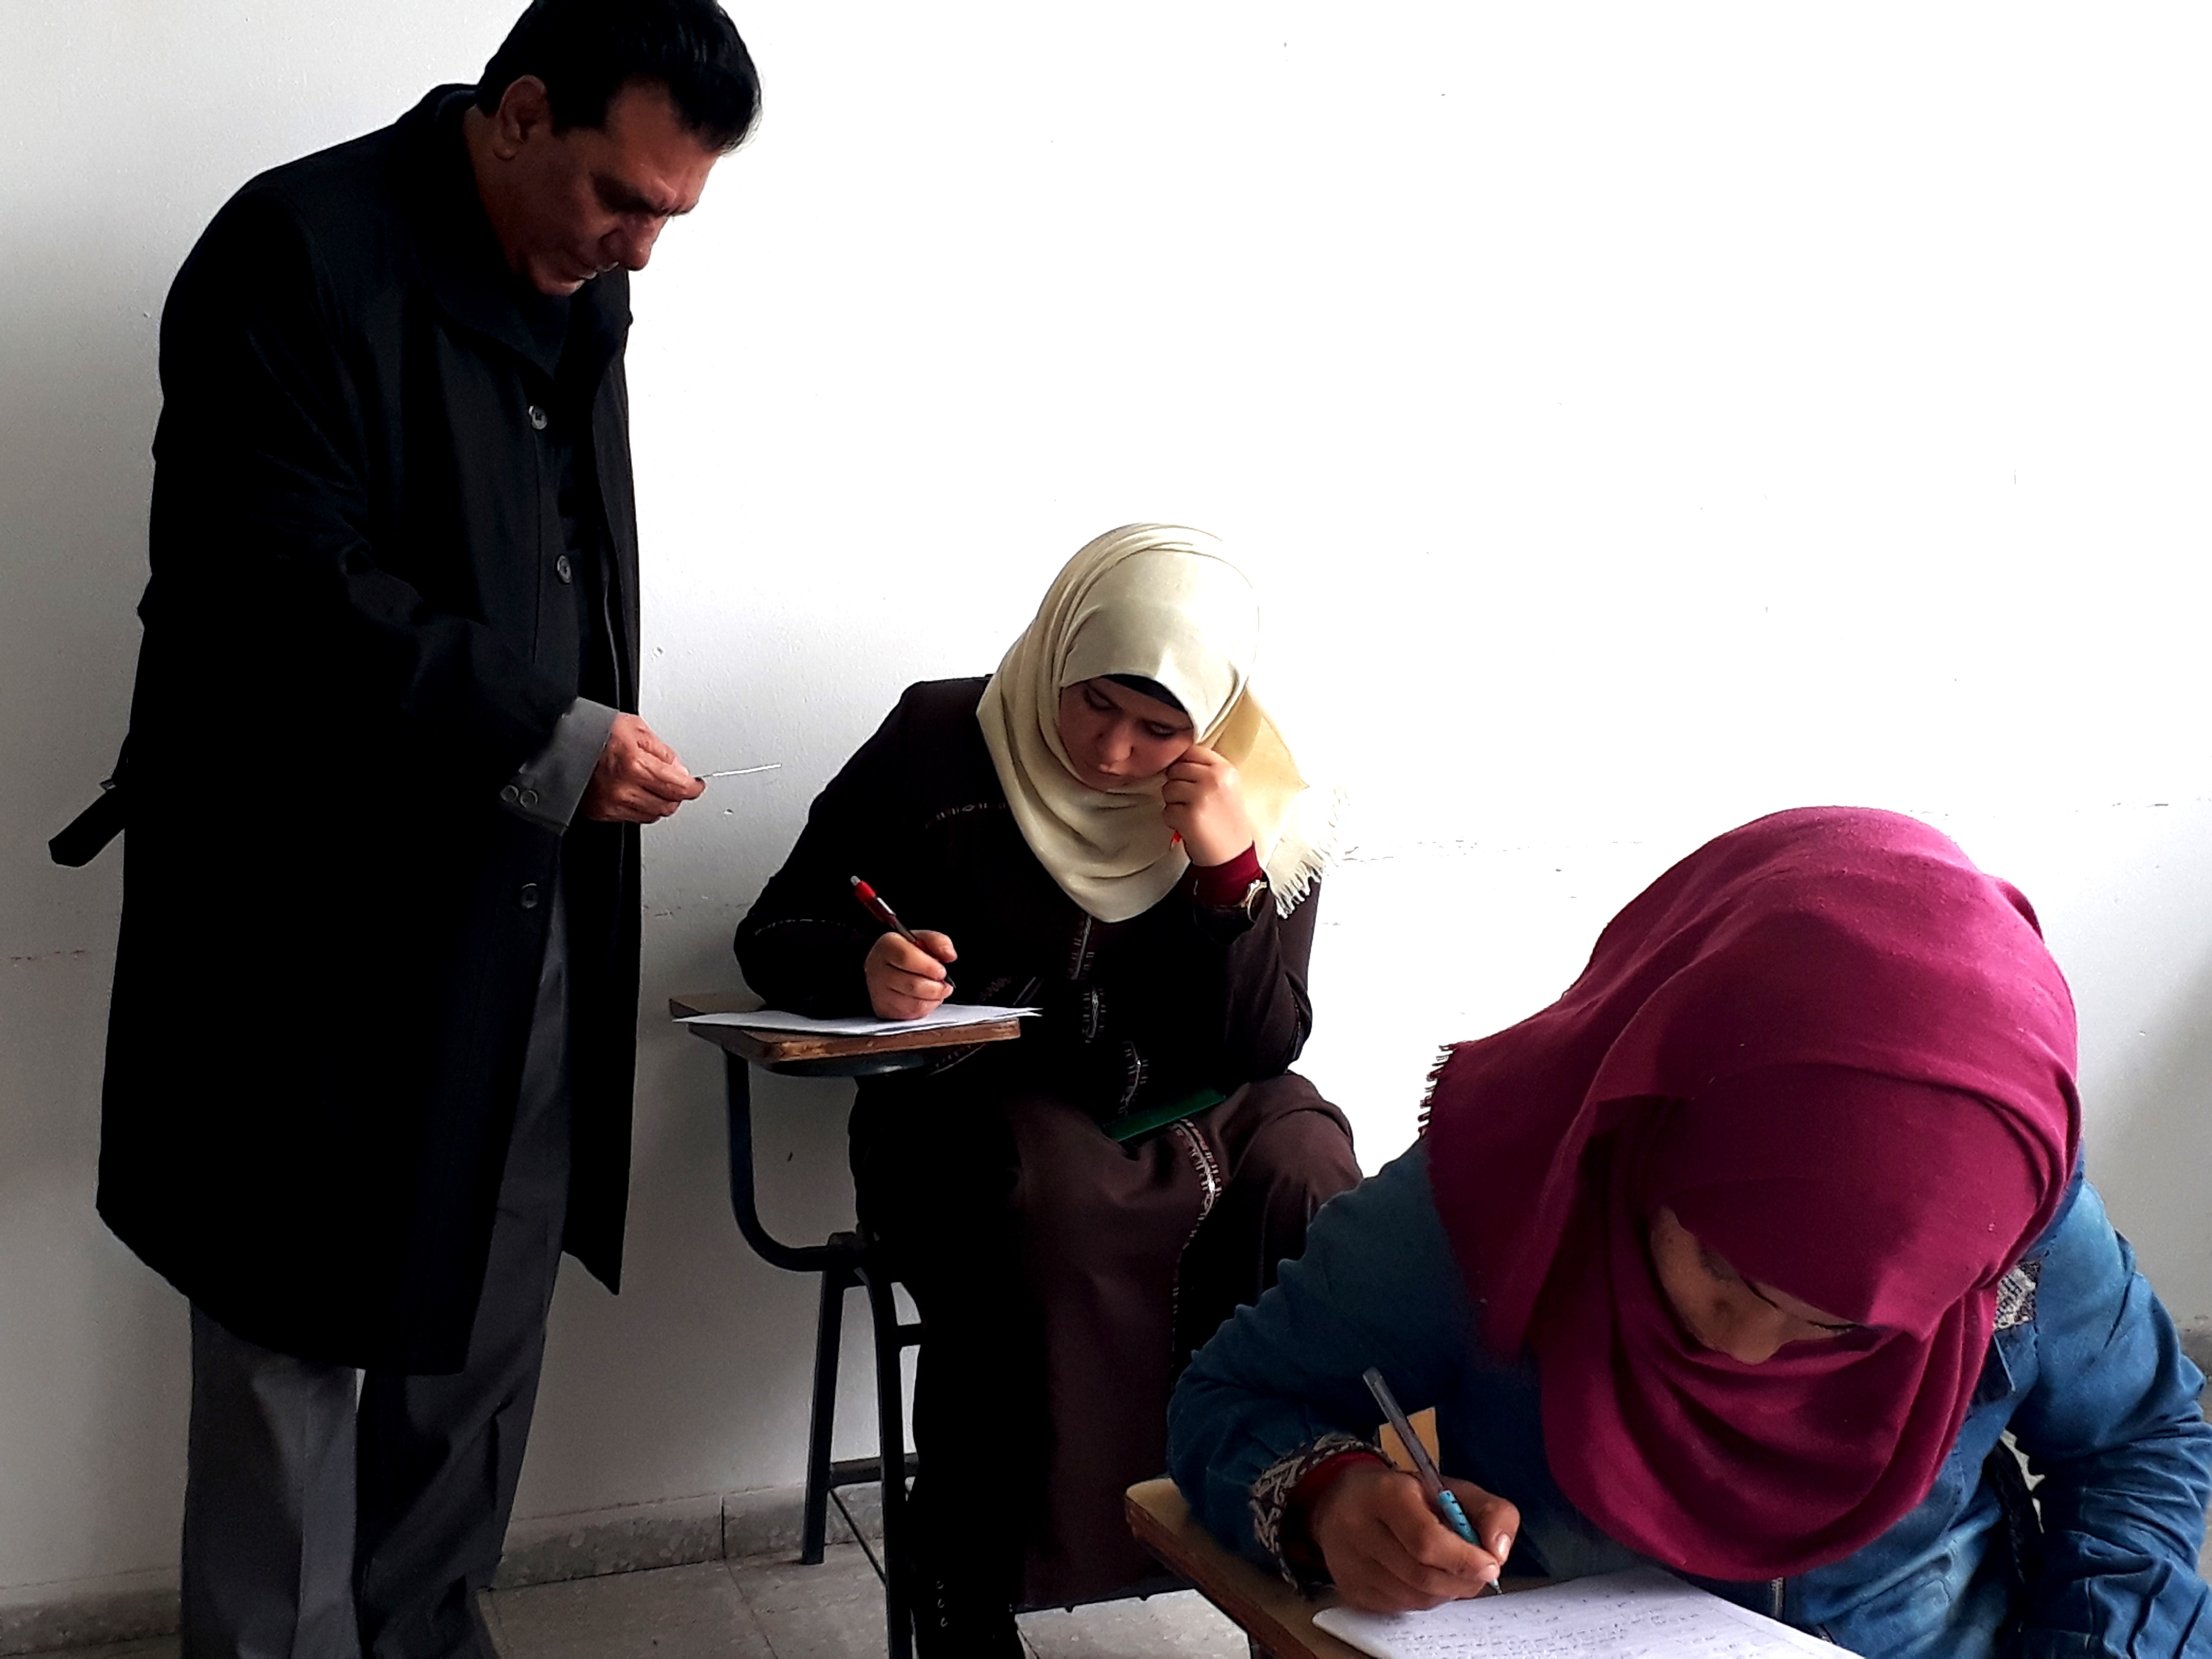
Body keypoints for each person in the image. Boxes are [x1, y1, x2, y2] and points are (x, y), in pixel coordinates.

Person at [87, 5, 758, 1655]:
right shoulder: (295, 252)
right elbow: (273, 584)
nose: (643, 248)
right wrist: (546, 735)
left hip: (520, 889)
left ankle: (426, 1637)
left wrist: (581, 750)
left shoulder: (584, 274)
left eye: (673, 214)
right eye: (624, 198)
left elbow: (565, 551)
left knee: (485, 1314)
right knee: (289, 1328)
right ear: (519, 113)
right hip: (298, 908)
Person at [1169, 807, 2212, 1658]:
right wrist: (1333, 1499)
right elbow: (1232, 1397)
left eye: (1845, 1329)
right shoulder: (1508, 1187)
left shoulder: (2007, 1219)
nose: (1745, 1348)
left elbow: (2141, 1441)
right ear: (1654, 1127)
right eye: (1722, 1268)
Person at [735, 524, 1364, 1654]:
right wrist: (863, 965)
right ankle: (967, 1568)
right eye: (1093, 704)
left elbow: (1264, 1043)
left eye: (1158, 729)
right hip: (976, 1099)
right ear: (1054, 652)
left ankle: (1296, 1547)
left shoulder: (1262, 793)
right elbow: (775, 930)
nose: (1113, 753)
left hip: (1197, 1097)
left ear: (1213, 719)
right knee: (1047, 1196)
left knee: (1312, 1178)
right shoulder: (940, 739)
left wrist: (1228, 871)